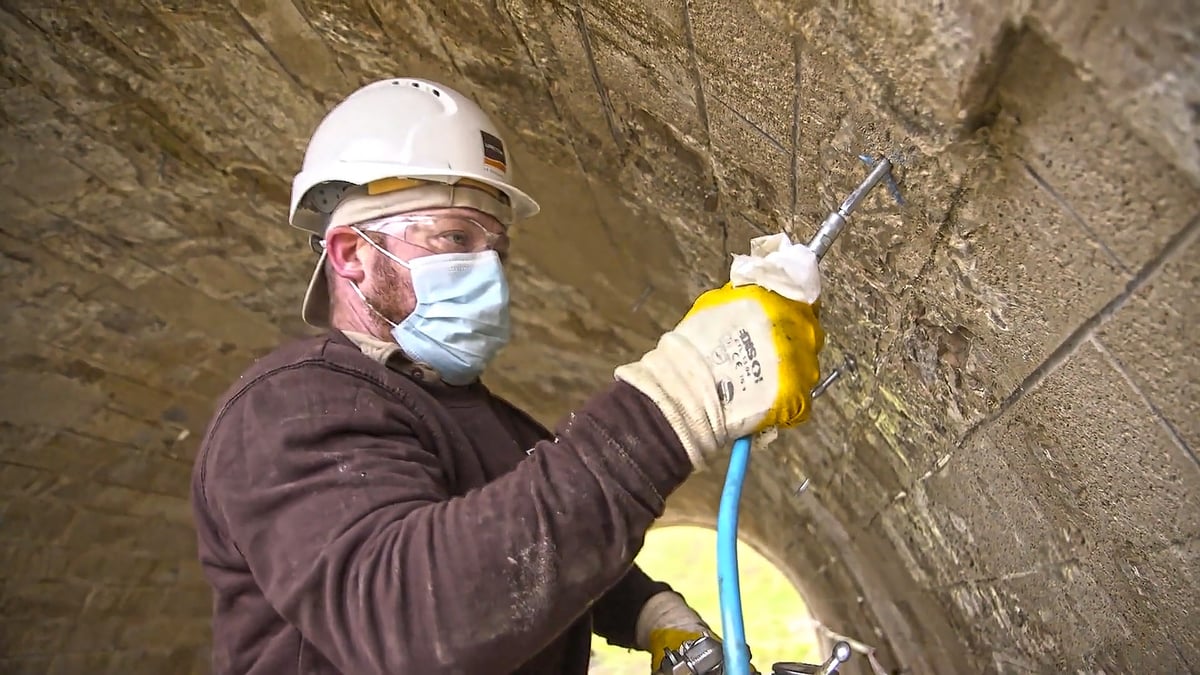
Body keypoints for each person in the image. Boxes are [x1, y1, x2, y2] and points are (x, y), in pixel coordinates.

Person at [189, 77, 826, 675]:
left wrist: (645, 609)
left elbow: (519, 544)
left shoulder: (482, 417)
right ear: (352, 254)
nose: (488, 270)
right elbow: (414, 616)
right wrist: (671, 403)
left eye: (497, 248)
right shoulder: (286, 408)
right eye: (456, 238)